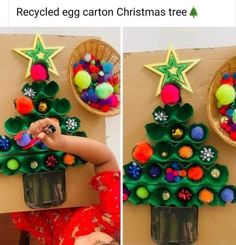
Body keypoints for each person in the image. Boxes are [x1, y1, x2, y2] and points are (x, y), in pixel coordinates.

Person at [12, 118, 120, 245]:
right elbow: (105, 159)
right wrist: (62, 142)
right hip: (70, 183)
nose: (99, 241)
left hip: (39, 211)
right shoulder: (111, 221)